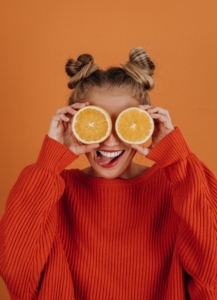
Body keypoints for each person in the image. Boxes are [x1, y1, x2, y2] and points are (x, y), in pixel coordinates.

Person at [0, 47, 216, 300]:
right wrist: (49, 162)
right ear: (74, 124)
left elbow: (211, 278)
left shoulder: (180, 185)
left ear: (147, 124)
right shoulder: (52, 190)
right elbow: (16, 274)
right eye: (96, 122)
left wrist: (178, 160)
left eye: (125, 123)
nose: (111, 141)